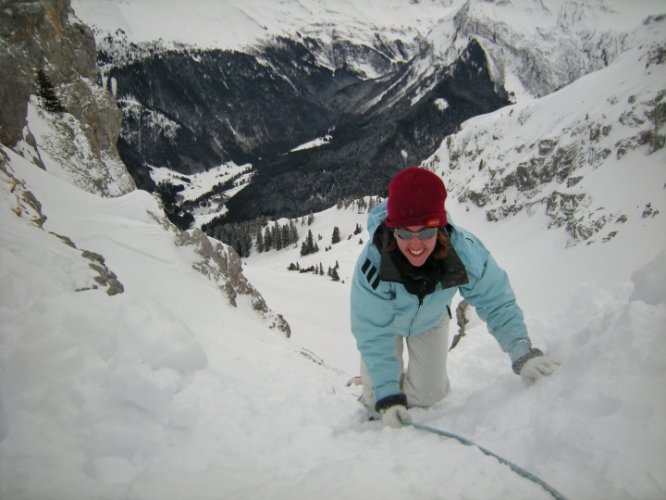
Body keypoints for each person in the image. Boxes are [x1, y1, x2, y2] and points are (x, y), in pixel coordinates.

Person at [350, 167, 559, 427]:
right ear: (393, 230)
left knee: (428, 396)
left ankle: (390, 381)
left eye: (426, 231)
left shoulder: (463, 253)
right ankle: (373, 384)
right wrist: (387, 393)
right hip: (387, 325)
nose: (416, 244)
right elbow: (372, 331)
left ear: (439, 226)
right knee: (376, 403)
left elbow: (495, 301)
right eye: (405, 232)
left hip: (430, 321)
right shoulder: (374, 263)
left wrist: (522, 353)